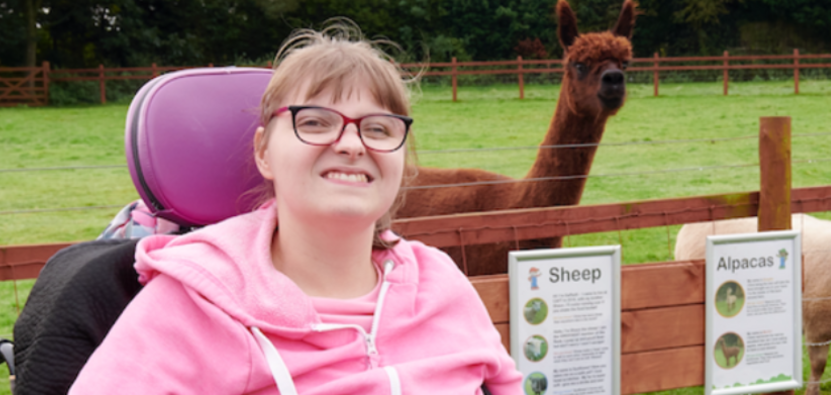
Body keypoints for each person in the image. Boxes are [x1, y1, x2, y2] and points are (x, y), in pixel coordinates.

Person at [70, 20, 522, 394]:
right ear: (264, 152)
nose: (351, 144)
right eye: (315, 122)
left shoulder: (442, 285)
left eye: (379, 129)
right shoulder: (195, 304)